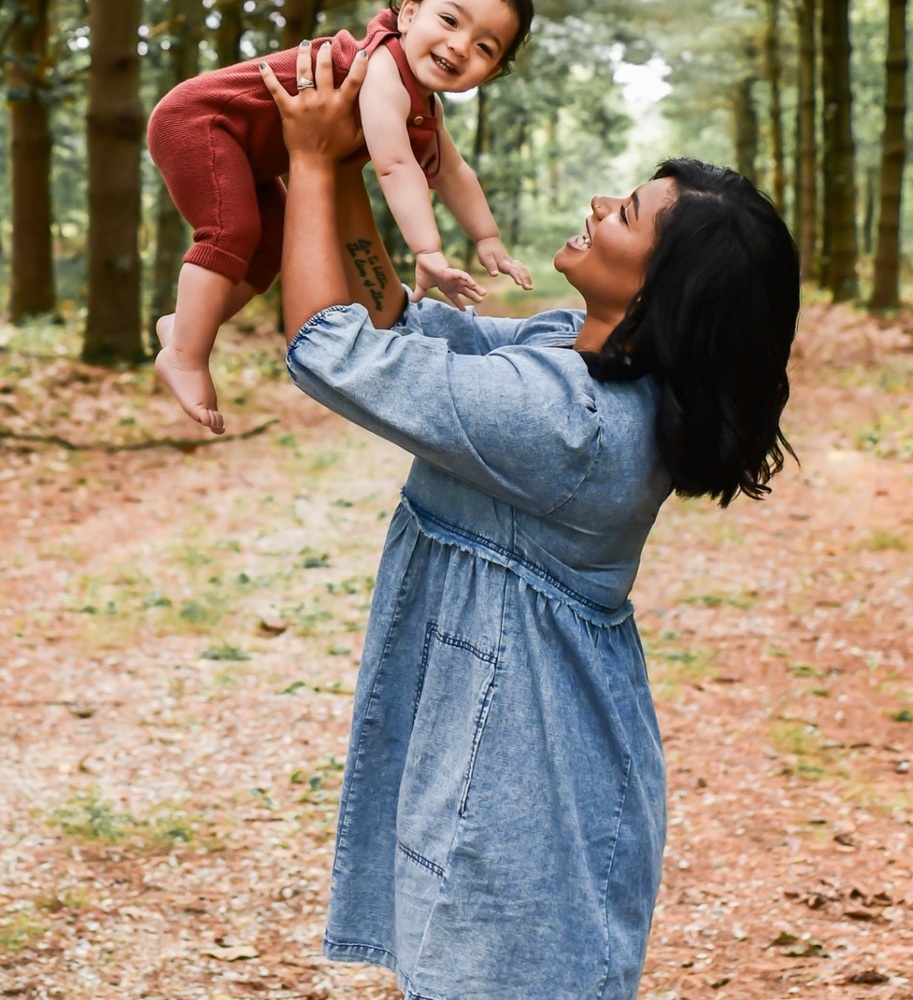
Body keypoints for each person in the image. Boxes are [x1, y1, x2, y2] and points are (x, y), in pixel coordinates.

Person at [260, 42, 799, 1000]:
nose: (600, 207)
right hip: (511, 752)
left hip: (526, 780)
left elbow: (330, 348)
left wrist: (303, 165)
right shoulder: (571, 352)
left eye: (626, 213)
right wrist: (348, 162)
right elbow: (394, 319)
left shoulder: (568, 423)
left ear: (664, 289)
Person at [147, 0, 534, 435]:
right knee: (232, 232)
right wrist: (428, 250)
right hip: (203, 122)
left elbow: (450, 170)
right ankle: (186, 353)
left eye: (484, 47)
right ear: (408, 15)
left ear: (494, 71)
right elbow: (395, 165)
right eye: (449, 20)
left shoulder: (423, 102)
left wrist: (487, 238)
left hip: (247, 151)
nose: (461, 46)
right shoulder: (383, 67)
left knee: (270, 246)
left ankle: (185, 324)